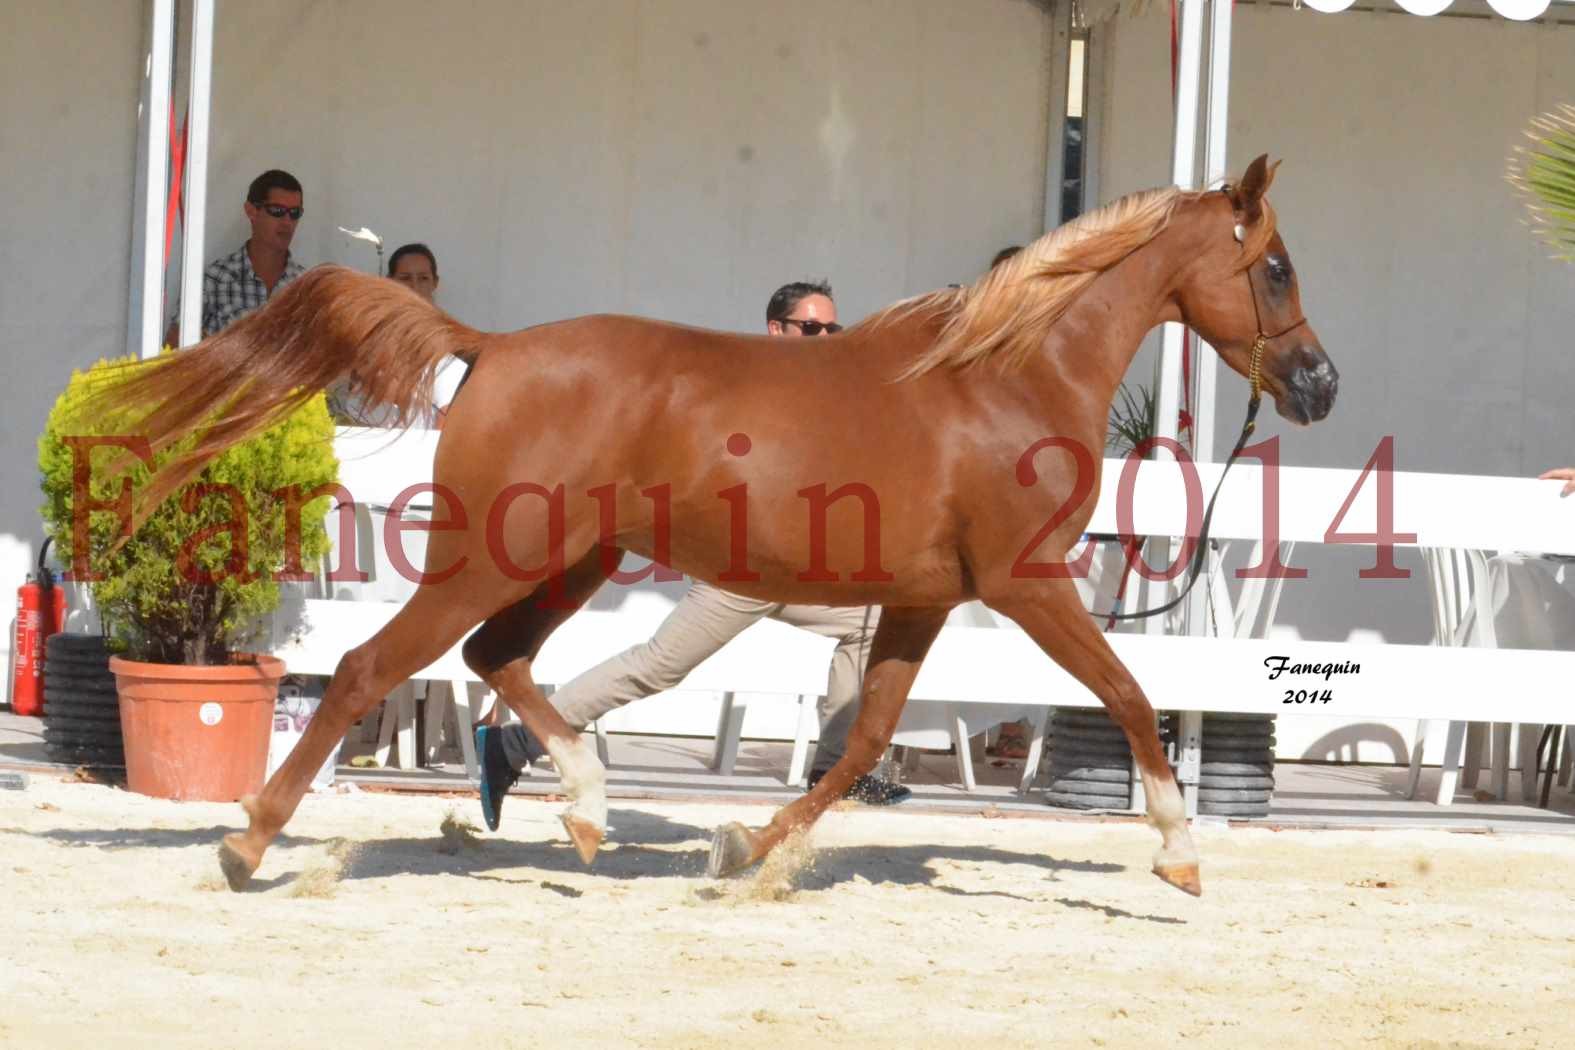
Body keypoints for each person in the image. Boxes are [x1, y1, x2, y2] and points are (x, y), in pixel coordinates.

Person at [475, 280, 910, 831]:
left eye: (832, 329)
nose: (824, 338)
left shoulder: (824, 396)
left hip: (792, 570)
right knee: (655, 668)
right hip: (741, 567)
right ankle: (512, 745)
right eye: (811, 328)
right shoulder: (752, 386)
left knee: (870, 625)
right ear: (776, 329)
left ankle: (833, 768)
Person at [192, 169, 307, 340]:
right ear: (251, 211)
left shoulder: (306, 286)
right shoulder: (216, 278)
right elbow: (175, 344)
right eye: (277, 210)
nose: (287, 222)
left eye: (294, 213)